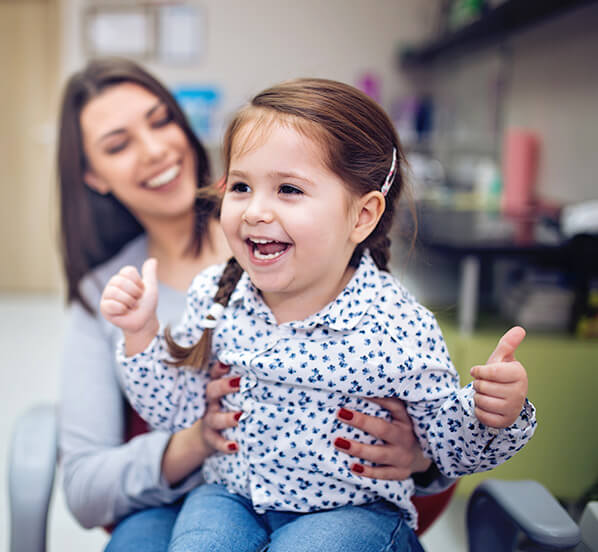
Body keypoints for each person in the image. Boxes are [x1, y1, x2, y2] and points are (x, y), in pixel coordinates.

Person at [101, 78, 537, 552]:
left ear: (362, 216)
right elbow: (173, 411)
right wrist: (142, 334)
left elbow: (448, 449)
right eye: (242, 186)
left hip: (355, 514)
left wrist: (493, 413)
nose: (255, 211)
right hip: (230, 497)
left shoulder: (398, 324)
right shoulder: (215, 297)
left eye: (288, 189)